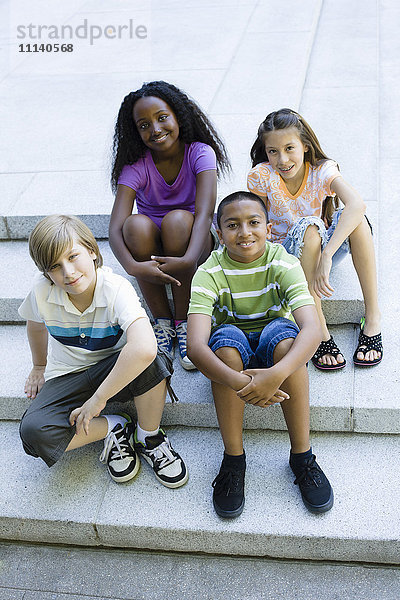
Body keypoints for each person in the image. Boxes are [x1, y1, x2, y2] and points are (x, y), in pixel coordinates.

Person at [187, 192, 333, 518]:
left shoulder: (282, 261)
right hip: (232, 339)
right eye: (233, 225)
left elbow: (311, 329)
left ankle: (302, 457)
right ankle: (234, 460)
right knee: (223, 349)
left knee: (288, 344)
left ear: (268, 227)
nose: (245, 232)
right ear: (219, 232)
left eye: (254, 223)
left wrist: (275, 375)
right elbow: (196, 346)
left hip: (272, 336)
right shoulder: (208, 272)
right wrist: (245, 384)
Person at [19, 215, 188, 489]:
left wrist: (98, 400)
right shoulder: (42, 292)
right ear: (46, 274)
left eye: (73, 256)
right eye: (55, 266)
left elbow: (144, 347)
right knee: (33, 431)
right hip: (68, 374)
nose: (68, 272)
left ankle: (149, 437)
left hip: (117, 369)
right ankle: (115, 427)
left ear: (92, 251)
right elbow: (35, 324)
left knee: (153, 357)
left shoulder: (115, 288)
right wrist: (39, 366)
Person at [247, 108, 382, 370]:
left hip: (321, 250)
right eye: (273, 151)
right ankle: (318, 329)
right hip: (285, 255)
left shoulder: (321, 170)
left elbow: (357, 204)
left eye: (289, 148)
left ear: (306, 146)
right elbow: (256, 223)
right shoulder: (263, 176)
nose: (282, 159)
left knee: (357, 220)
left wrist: (327, 255)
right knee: (309, 228)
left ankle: (373, 317)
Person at [109, 80, 230, 370]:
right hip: (152, 246)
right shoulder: (136, 165)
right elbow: (115, 229)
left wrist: (188, 259)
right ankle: (162, 322)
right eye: (144, 125)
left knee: (177, 221)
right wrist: (133, 268)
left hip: (194, 240)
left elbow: (204, 213)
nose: (155, 129)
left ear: (178, 116)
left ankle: (186, 322)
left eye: (162, 118)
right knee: (134, 226)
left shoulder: (200, 153)